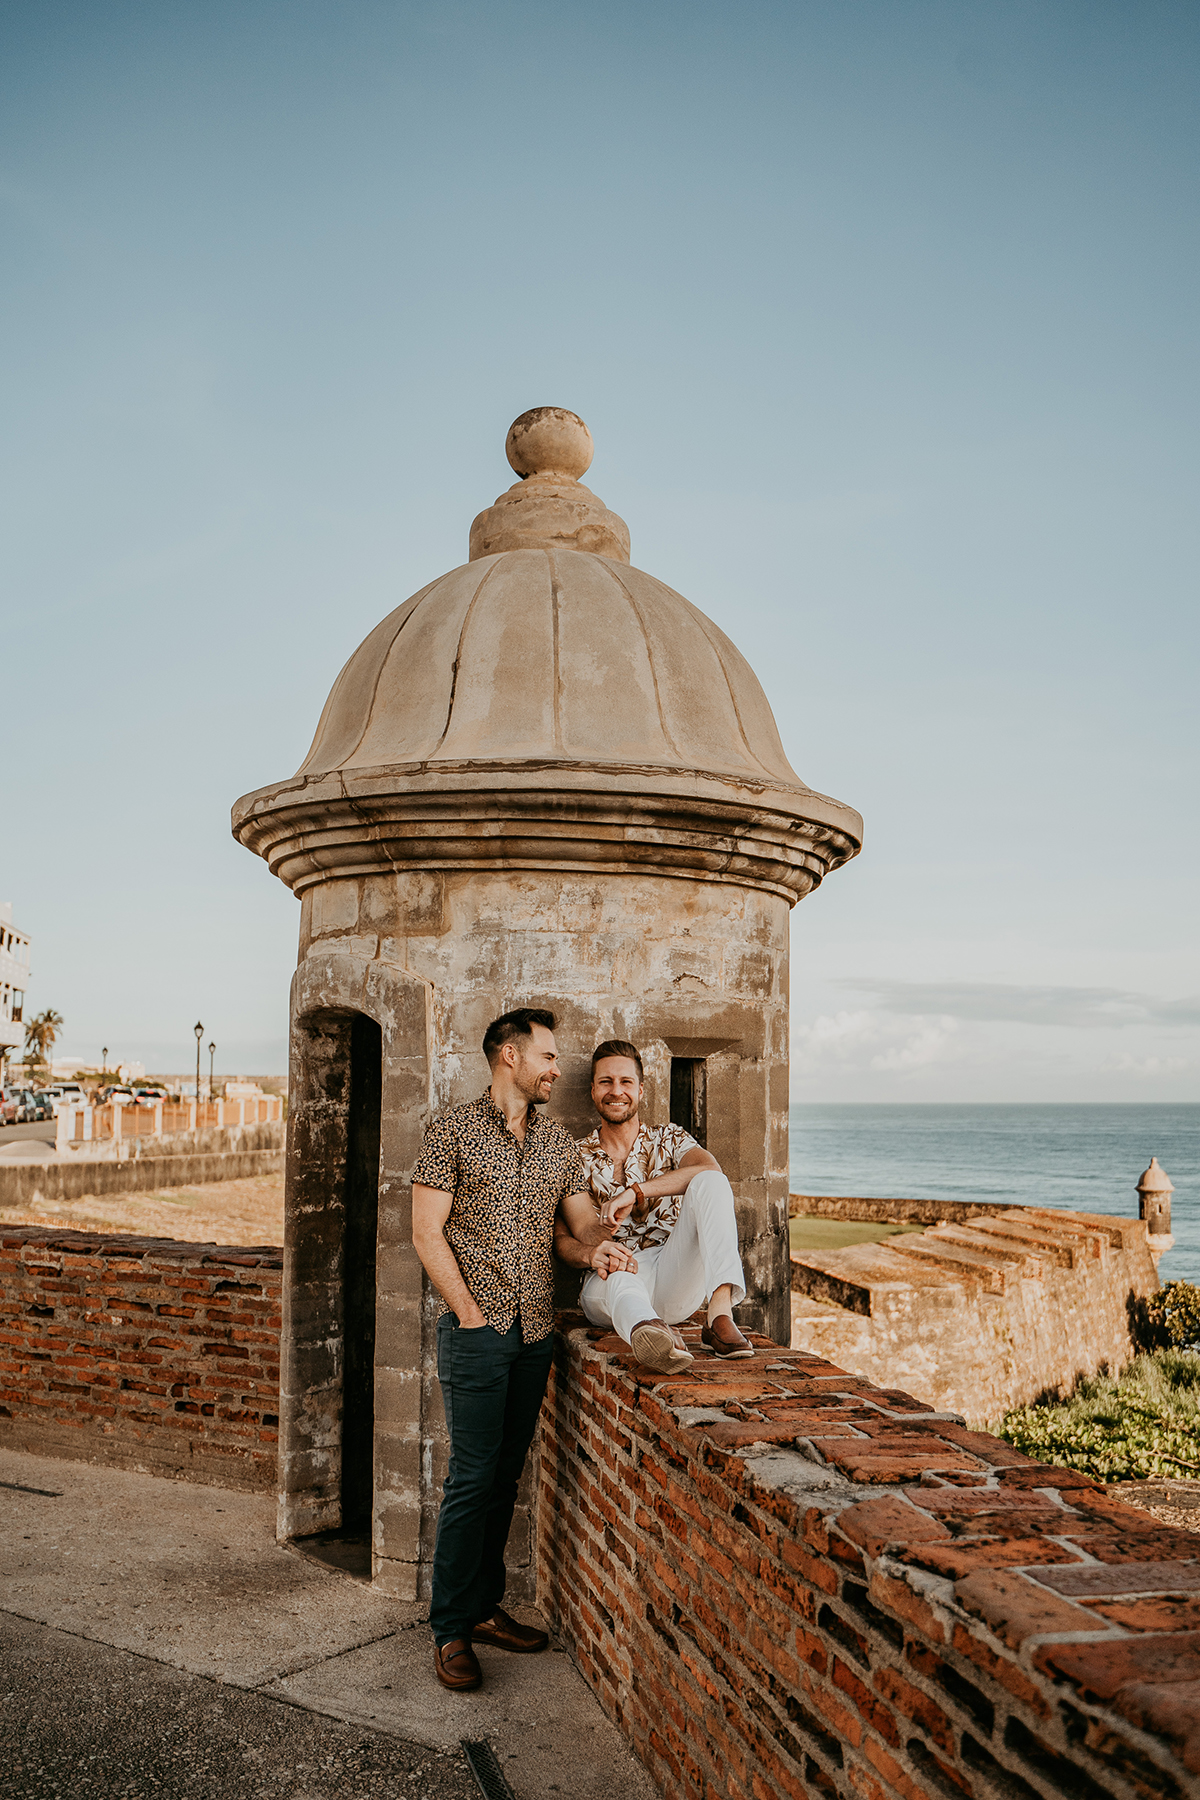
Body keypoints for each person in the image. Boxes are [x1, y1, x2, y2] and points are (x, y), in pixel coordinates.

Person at [411, 1007, 635, 1694]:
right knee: (471, 1481)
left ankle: (482, 1609)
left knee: (505, 1478)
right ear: (509, 1056)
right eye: (547, 1056)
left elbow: (572, 1233)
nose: (557, 1069)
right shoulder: (448, 1129)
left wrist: (604, 1240)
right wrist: (471, 1314)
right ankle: (450, 1627)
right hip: (479, 1335)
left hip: (536, 1333)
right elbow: (426, 1233)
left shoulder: (557, 1145)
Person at [553, 1039, 755, 1375]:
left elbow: (708, 1170)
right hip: (609, 1280)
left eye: (625, 1082)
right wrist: (591, 1254)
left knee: (712, 1181)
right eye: (606, 1082)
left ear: (641, 1090)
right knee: (620, 1277)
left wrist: (636, 1192)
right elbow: (561, 1240)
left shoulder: (669, 1138)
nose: (616, 1091)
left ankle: (719, 1314)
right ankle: (651, 1336)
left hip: (671, 1272)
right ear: (592, 1090)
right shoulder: (573, 1157)